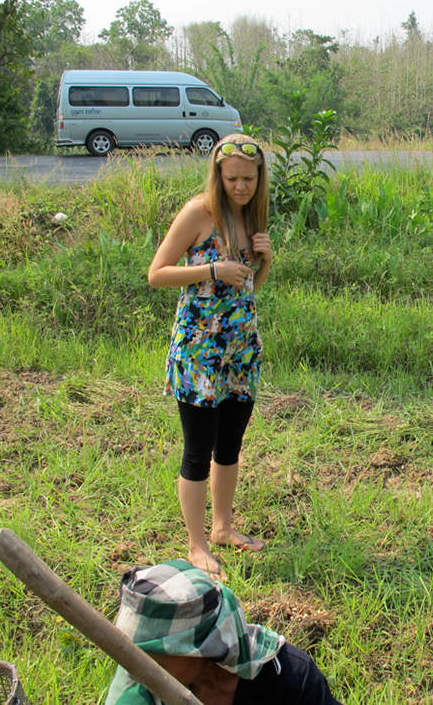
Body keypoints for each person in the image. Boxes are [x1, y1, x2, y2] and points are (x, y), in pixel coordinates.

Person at [148, 135, 273, 581]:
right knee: (198, 449)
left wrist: (266, 263)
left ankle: (222, 529)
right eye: (232, 177)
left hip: (240, 351)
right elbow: (157, 273)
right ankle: (196, 544)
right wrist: (212, 269)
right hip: (199, 353)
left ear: (260, 178)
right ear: (218, 174)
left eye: (249, 178)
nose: (241, 186)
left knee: (231, 445)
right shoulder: (198, 212)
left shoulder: (249, 215)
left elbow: (248, 289)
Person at [105, 560, 343, 704]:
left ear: (203, 646)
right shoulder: (139, 687)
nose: (136, 665)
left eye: (153, 652)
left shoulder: (287, 677)